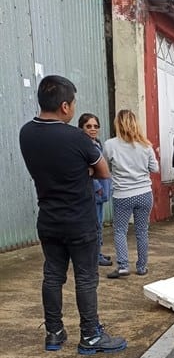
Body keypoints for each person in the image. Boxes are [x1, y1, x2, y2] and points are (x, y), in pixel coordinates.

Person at [19, 75, 127, 354]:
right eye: (74, 103)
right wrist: (85, 171)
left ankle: (54, 333)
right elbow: (103, 172)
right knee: (86, 278)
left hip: (48, 219)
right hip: (80, 220)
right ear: (65, 106)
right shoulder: (76, 137)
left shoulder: (26, 133)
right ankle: (90, 336)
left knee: (52, 276)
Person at [104, 110, 159, 279]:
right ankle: (142, 267)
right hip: (144, 193)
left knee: (120, 230)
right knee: (142, 231)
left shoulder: (110, 145)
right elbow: (155, 169)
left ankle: (123, 266)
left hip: (122, 195)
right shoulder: (146, 146)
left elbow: (104, 166)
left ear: (117, 124)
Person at [78, 113, 113, 267]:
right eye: (89, 126)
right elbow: (87, 170)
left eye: (95, 126)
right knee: (95, 225)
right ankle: (95, 256)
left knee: (98, 224)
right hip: (93, 193)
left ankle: (97, 252)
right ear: (81, 128)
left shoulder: (96, 144)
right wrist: (98, 188)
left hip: (101, 192)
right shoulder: (84, 145)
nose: (93, 129)